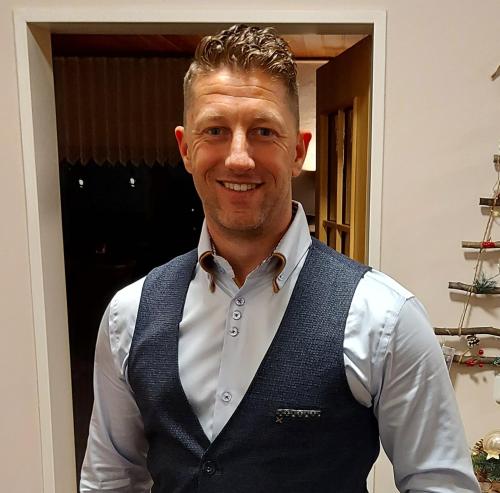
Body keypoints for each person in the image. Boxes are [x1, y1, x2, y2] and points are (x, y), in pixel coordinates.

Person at [80, 24, 480, 493]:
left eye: (264, 131)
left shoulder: (385, 319)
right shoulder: (128, 316)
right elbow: (111, 479)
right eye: (215, 130)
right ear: (186, 149)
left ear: (298, 151)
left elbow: (441, 485)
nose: (239, 158)